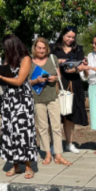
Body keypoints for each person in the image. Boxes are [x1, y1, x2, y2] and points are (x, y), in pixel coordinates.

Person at [0, 35, 38, 179]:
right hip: (9, 99)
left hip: (22, 100)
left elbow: (19, 81)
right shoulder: (7, 60)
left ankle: (28, 166)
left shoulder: (26, 59)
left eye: (6, 47)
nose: (4, 50)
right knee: (10, 132)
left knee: (24, 133)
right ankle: (15, 165)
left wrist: (1, 77)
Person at [29, 37, 71, 166]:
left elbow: (59, 76)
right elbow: (26, 82)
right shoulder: (29, 61)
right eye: (39, 48)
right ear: (35, 48)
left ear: (47, 48)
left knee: (56, 127)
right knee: (42, 127)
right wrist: (36, 81)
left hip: (53, 97)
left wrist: (54, 79)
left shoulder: (53, 59)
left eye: (43, 48)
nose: (41, 50)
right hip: (38, 99)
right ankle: (47, 154)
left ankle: (58, 155)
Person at [51, 26, 88, 153]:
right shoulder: (53, 48)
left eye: (73, 37)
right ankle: (55, 144)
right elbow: (47, 62)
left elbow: (83, 65)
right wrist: (58, 61)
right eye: (68, 36)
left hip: (73, 83)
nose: (71, 39)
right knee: (55, 114)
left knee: (70, 114)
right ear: (62, 35)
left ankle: (69, 143)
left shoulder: (78, 49)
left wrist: (76, 69)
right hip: (57, 83)